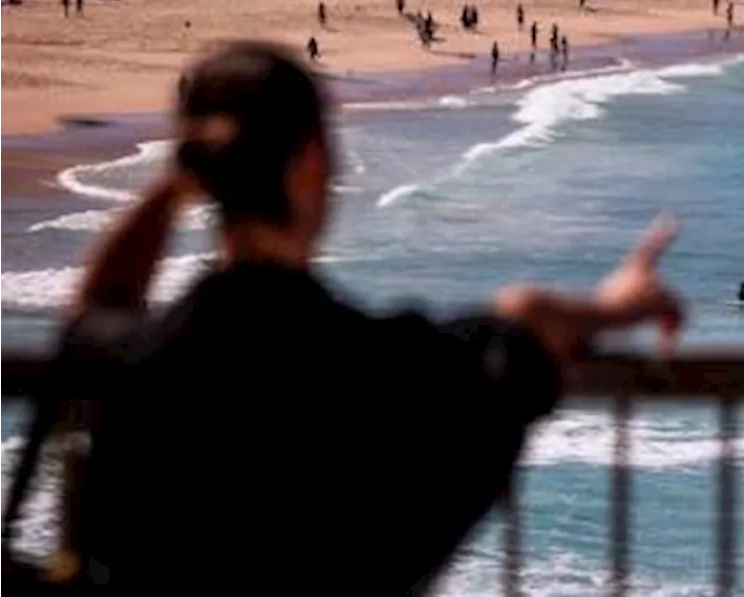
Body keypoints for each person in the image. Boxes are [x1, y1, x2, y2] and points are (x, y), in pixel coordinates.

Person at [60, 40, 685, 594]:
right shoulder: (398, 367)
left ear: (201, 170)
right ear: (313, 163)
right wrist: (615, 304)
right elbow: (527, 321)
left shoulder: (137, 363)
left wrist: (174, 184)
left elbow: (98, 306)